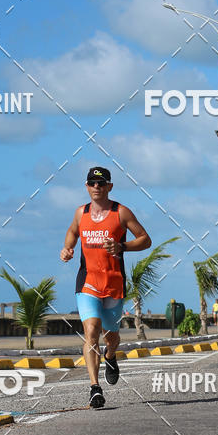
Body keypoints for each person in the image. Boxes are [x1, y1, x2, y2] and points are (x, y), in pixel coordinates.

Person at [60, 167, 151, 409]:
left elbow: (145, 239)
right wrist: (67, 249)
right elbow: (72, 232)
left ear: (109, 186)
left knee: (111, 336)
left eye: (101, 183)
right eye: (92, 183)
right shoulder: (81, 213)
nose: (96, 187)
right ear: (87, 186)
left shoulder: (121, 212)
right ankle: (94, 388)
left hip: (113, 283)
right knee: (91, 331)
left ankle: (110, 355)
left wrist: (122, 247)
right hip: (87, 281)